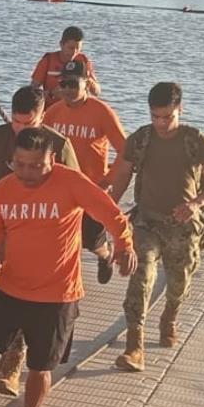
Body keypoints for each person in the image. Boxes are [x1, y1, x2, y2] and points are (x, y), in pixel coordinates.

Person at [0, 127, 136, 407]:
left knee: (39, 366)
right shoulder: (5, 188)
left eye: (36, 165)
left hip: (56, 295)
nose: (27, 172)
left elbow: (111, 214)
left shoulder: (71, 183)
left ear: (53, 159)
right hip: (9, 287)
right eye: (19, 164)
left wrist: (125, 246)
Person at [0, 85, 79, 398]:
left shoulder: (59, 146)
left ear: (43, 117)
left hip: (42, 242)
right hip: (1, 231)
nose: (19, 129)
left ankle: (12, 367)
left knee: (27, 303)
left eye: (27, 124)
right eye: (16, 122)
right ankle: (0, 358)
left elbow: (78, 196)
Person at [111, 83, 204, 372]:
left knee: (179, 282)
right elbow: (122, 175)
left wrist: (196, 203)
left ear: (180, 110)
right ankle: (134, 345)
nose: (161, 123)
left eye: (168, 117)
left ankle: (169, 317)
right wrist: (109, 210)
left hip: (182, 224)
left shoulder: (195, 140)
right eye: (155, 116)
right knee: (141, 275)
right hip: (147, 221)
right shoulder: (140, 140)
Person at [43, 59, 128, 285]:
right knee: (57, 235)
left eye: (73, 84)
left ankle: (106, 255)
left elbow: (124, 149)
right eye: (64, 84)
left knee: (92, 240)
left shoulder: (101, 111)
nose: (68, 90)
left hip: (91, 185)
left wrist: (109, 180)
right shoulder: (53, 112)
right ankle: (61, 278)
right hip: (60, 186)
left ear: (87, 83)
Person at [31, 25, 102, 107]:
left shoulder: (84, 61)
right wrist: (51, 93)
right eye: (71, 48)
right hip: (51, 108)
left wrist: (89, 82)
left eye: (78, 48)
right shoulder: (48, 60)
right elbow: (32, 92)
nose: (74, 52)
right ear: (61, 44)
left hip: (77, 110)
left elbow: (97, 92)